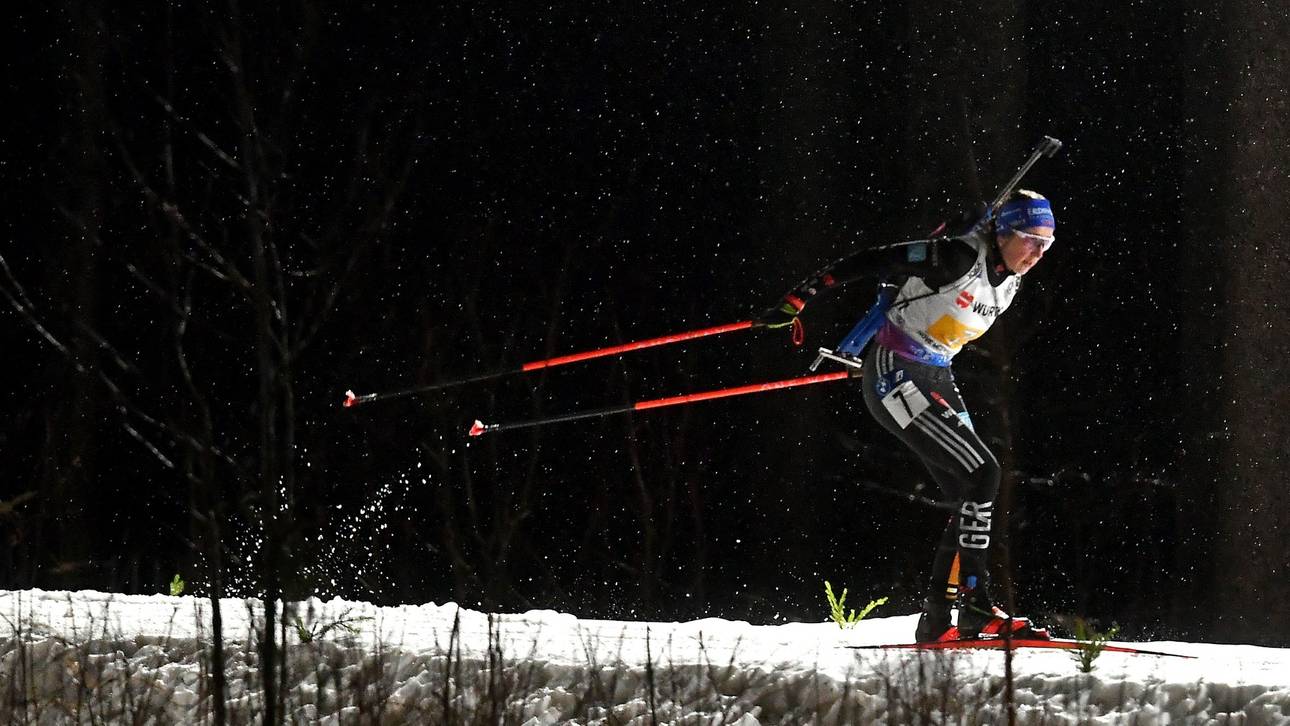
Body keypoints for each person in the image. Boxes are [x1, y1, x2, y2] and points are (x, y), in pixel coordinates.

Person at [758, 190, 1056, 642]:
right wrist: (801, 297)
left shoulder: (1010, 279)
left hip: (934, 373)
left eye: (1046, 244)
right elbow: (872, 259)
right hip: (894, 371)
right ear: (1003, 232)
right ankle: (974, 606)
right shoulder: (956, 257)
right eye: (1031, 239)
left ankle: (937, 620)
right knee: (982, 474)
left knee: (971, 491)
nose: (1038, 253)